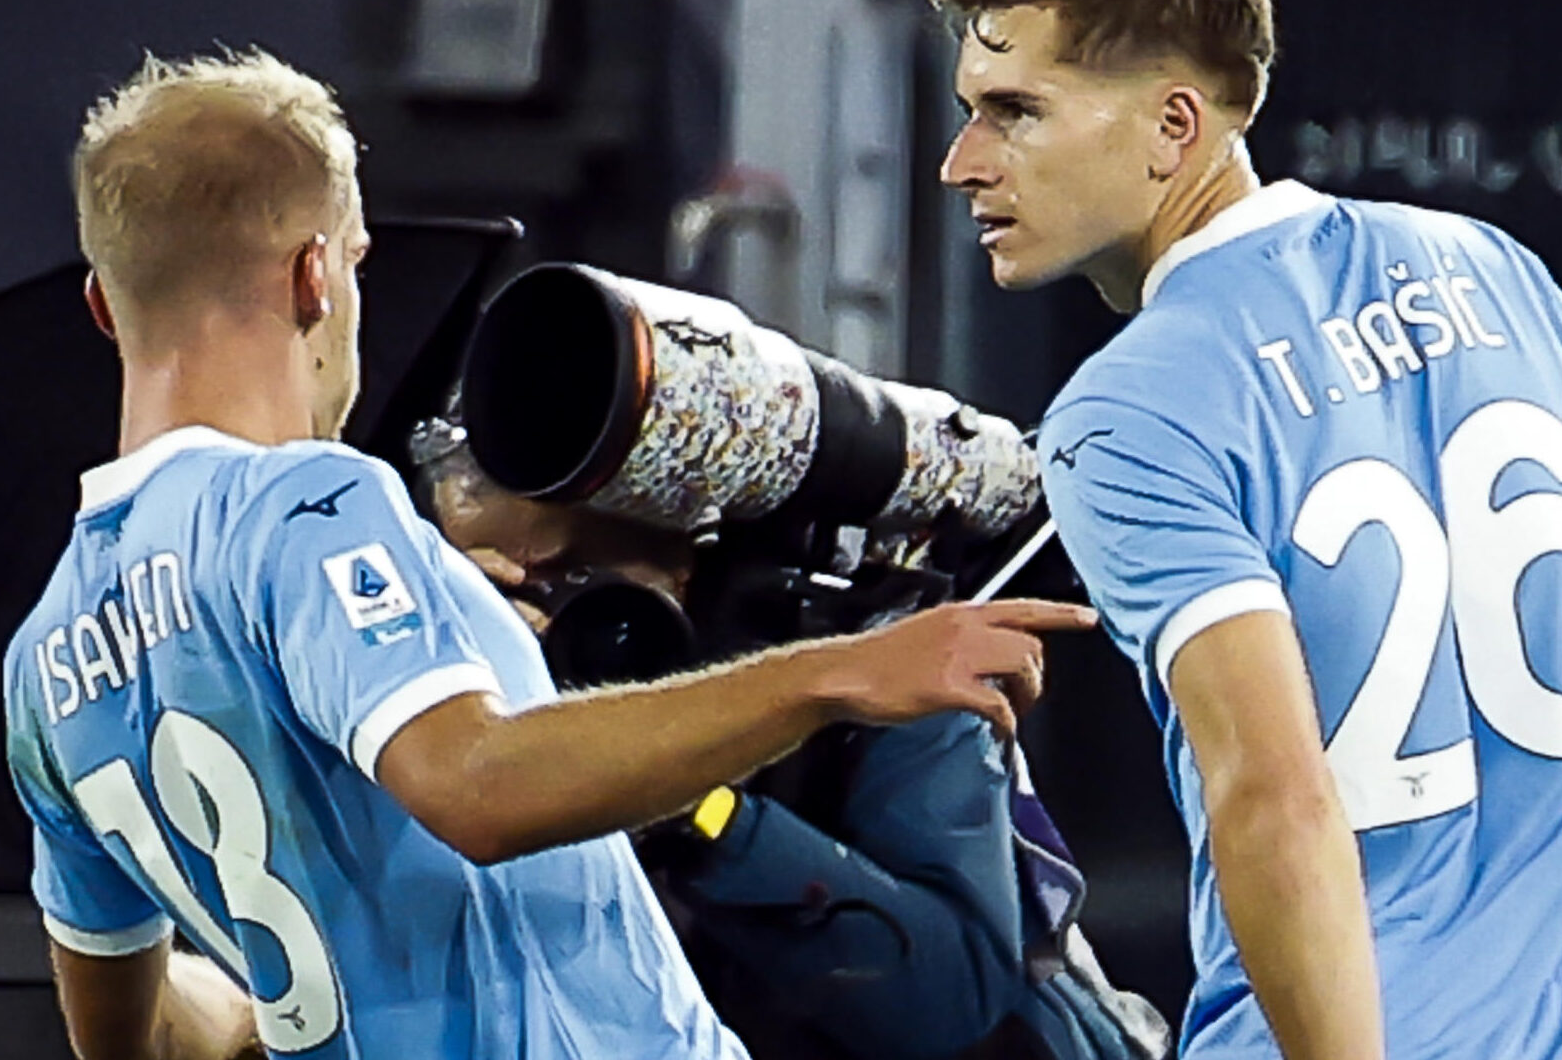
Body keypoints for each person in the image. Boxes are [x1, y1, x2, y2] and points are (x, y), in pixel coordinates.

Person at [0, 50, 1089, 1060]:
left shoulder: (44, 659)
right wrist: (835, 676)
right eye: (361, 264)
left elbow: (130, 1035)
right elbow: (476, 787)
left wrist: (273, 1006)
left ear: (103, 305)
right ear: (315, 276)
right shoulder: (311, 501)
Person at [931, 0, 1562, 1059]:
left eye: (1013, 112)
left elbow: (1276, 800)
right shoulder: (1491, 269)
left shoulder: (1125, 412)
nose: (960, 163)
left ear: (1173, 126)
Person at [413, 414, 1171, 1060]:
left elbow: (950, 999)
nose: (544, 621)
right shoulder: (449, 718)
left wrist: (693, 806)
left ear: (679, 546)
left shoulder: (876, 669)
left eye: (575, 576)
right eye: (498, 591)